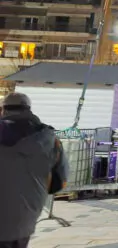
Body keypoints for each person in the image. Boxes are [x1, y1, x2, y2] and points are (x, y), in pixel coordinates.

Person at [0, 93, 67, 248]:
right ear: (28, 109)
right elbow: (59, 183)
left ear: (3, 109)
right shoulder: (50, 140)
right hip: (23, 220)